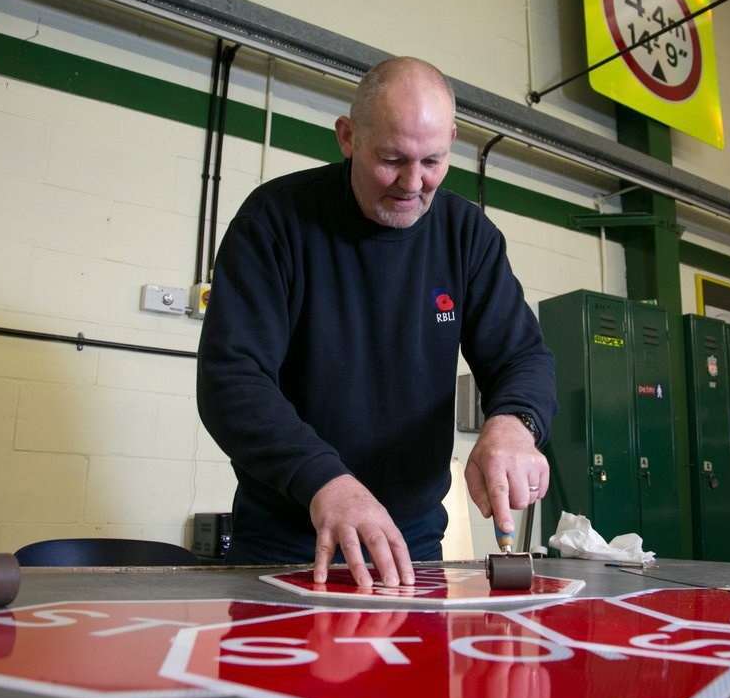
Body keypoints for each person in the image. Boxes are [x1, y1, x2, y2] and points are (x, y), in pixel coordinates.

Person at [197, 56, 556, 588]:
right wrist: (326, 481)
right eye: (392, 159)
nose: (413, 184)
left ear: (452, 140)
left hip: (412, 546)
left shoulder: (467, 236)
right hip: (285, 539)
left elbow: (522, 356)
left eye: (433, 161)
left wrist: (514, 424)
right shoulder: (274, 220)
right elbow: (231, 378)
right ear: (347, 137)